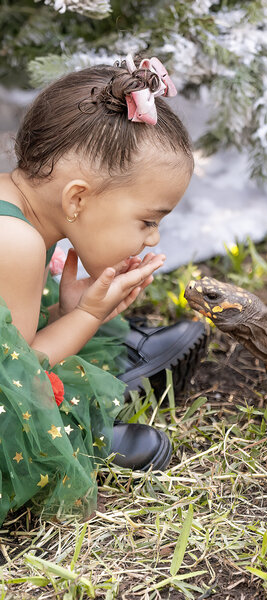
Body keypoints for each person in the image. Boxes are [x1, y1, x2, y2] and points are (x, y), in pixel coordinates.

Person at [0, 55, 207, 525]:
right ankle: (75, 433)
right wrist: (87, 316)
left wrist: (67, 313)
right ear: (77, 197)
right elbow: (19, 373)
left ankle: (110, 375)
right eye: (148, 220)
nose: (153, 238)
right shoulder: (15, 242)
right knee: (26, 413)